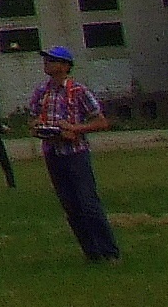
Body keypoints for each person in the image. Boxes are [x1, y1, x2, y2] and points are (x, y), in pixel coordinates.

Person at [27, 47, 120, 262]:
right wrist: (38, 126)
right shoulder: (41, 91)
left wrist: (75, 129)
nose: (46, 63)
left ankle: (109, 252)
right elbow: (32, 119)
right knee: (71, 206)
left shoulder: (78, 91)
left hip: (76, 154)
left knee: (88, 203)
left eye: (52, 60)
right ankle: (92, 253)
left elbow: (101, 122)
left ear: (65, 66)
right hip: (53, 153)